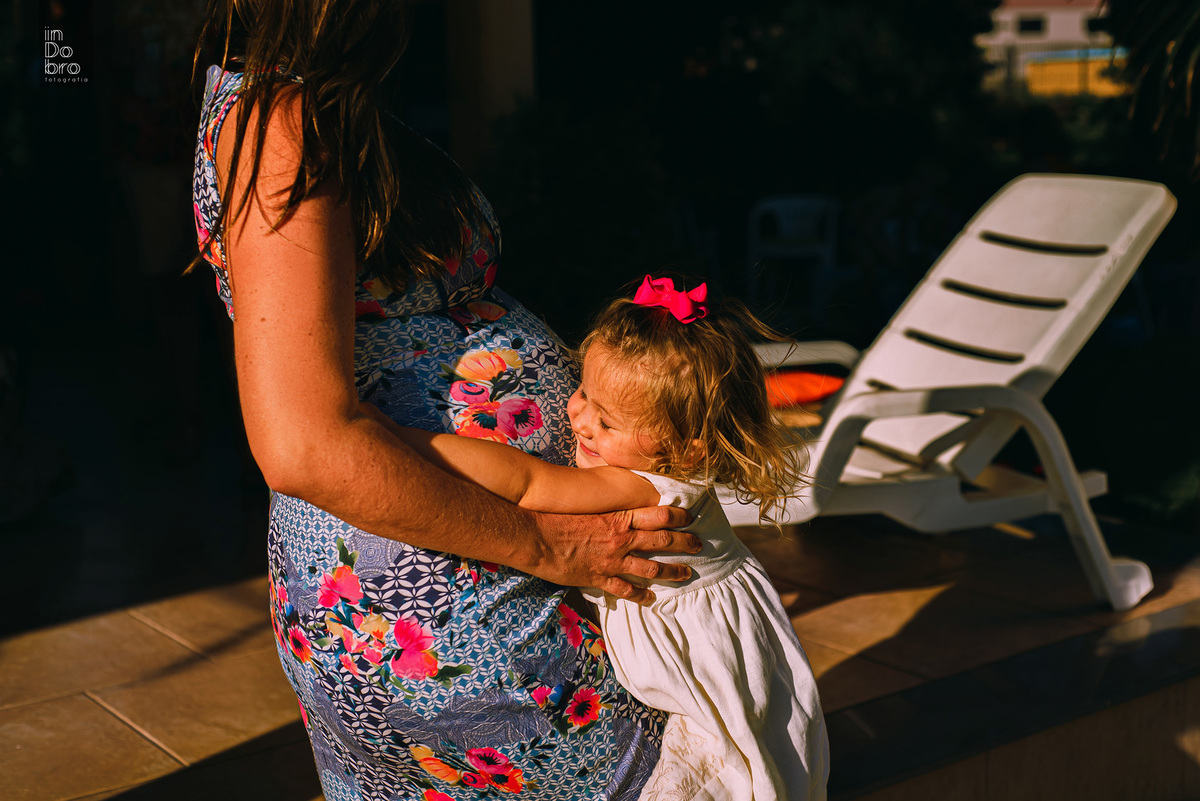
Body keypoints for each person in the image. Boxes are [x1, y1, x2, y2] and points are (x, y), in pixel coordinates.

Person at [190, 3, 703, 799]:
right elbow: (300, 442)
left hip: (438, 576)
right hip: (449, 590)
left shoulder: (305, 103)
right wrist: (549, 546)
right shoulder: (281, 120)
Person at [394, 276, 830, 801]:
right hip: (728, 618)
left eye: (605, 420)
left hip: (702, 643)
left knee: (720, 761)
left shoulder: (643, 481)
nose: (579, 417)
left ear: (686, 449)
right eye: (581, 391)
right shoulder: (659, 459)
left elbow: (527, 483)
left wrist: (405, 440)